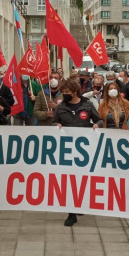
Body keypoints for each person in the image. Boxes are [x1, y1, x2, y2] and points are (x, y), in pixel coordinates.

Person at [52, 78, 103, 227]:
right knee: (69, 180)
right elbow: (54, 122)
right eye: (63, 92)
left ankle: (80, 203)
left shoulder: (87, 105)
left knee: (82, 179)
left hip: (84, 149)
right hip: (66, 148)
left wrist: (97, 125)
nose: (64, 95)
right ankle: (71, 213)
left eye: (67, 92)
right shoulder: (60, 108)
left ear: (75, 92)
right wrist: (57, 125)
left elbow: (99, 120)